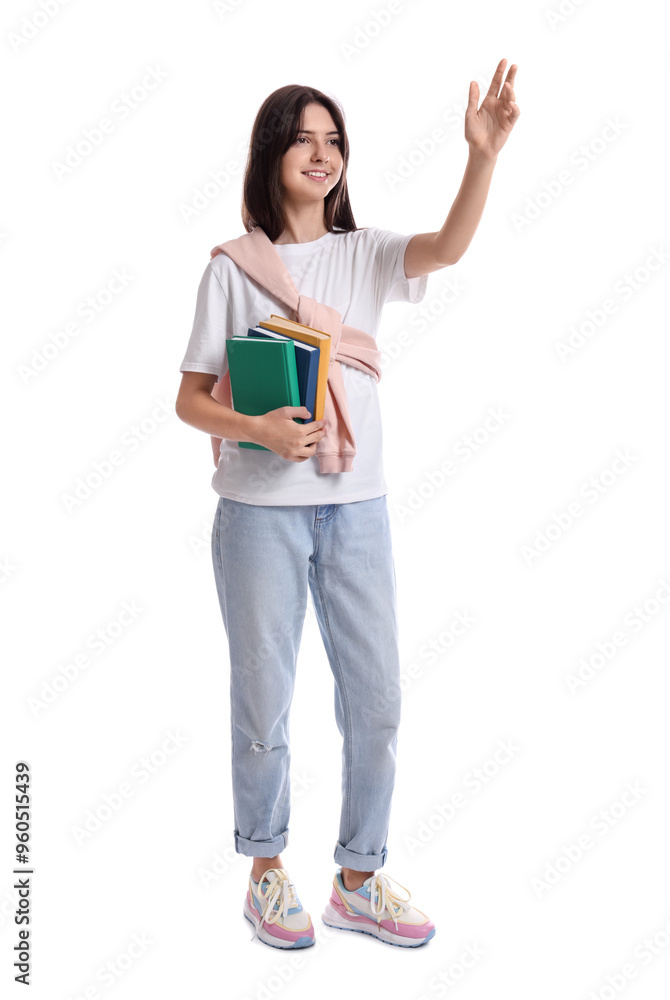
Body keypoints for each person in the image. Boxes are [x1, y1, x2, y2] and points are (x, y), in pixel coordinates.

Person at [175, 61, 520, 950]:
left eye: (334, 142)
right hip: (257, 514)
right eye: (303, 139)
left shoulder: (364, 253)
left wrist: (480, 156)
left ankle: (359, 879)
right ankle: (264, 871)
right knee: (264, 699)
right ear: (271, 154)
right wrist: (253, 423)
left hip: (356, 509)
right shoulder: (231, 269)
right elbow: (190, 402)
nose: (321, 154)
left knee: (377, 699)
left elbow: (446, 247)